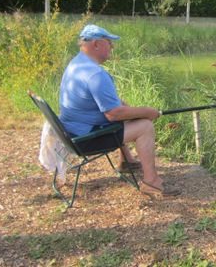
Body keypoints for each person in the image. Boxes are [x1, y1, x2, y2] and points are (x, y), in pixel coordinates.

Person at [59, 24, 180, 197]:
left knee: (129, 112)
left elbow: (114, 105)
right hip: (85, 140)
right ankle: (151, 183)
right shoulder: (95, 75)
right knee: (145, 127)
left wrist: (132, 111)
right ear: (96, 44)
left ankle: (127, 161)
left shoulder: (76, 64)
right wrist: (146, 111)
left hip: (72, 132)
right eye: (109, 42)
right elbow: (113, 114)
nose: (112, 47)